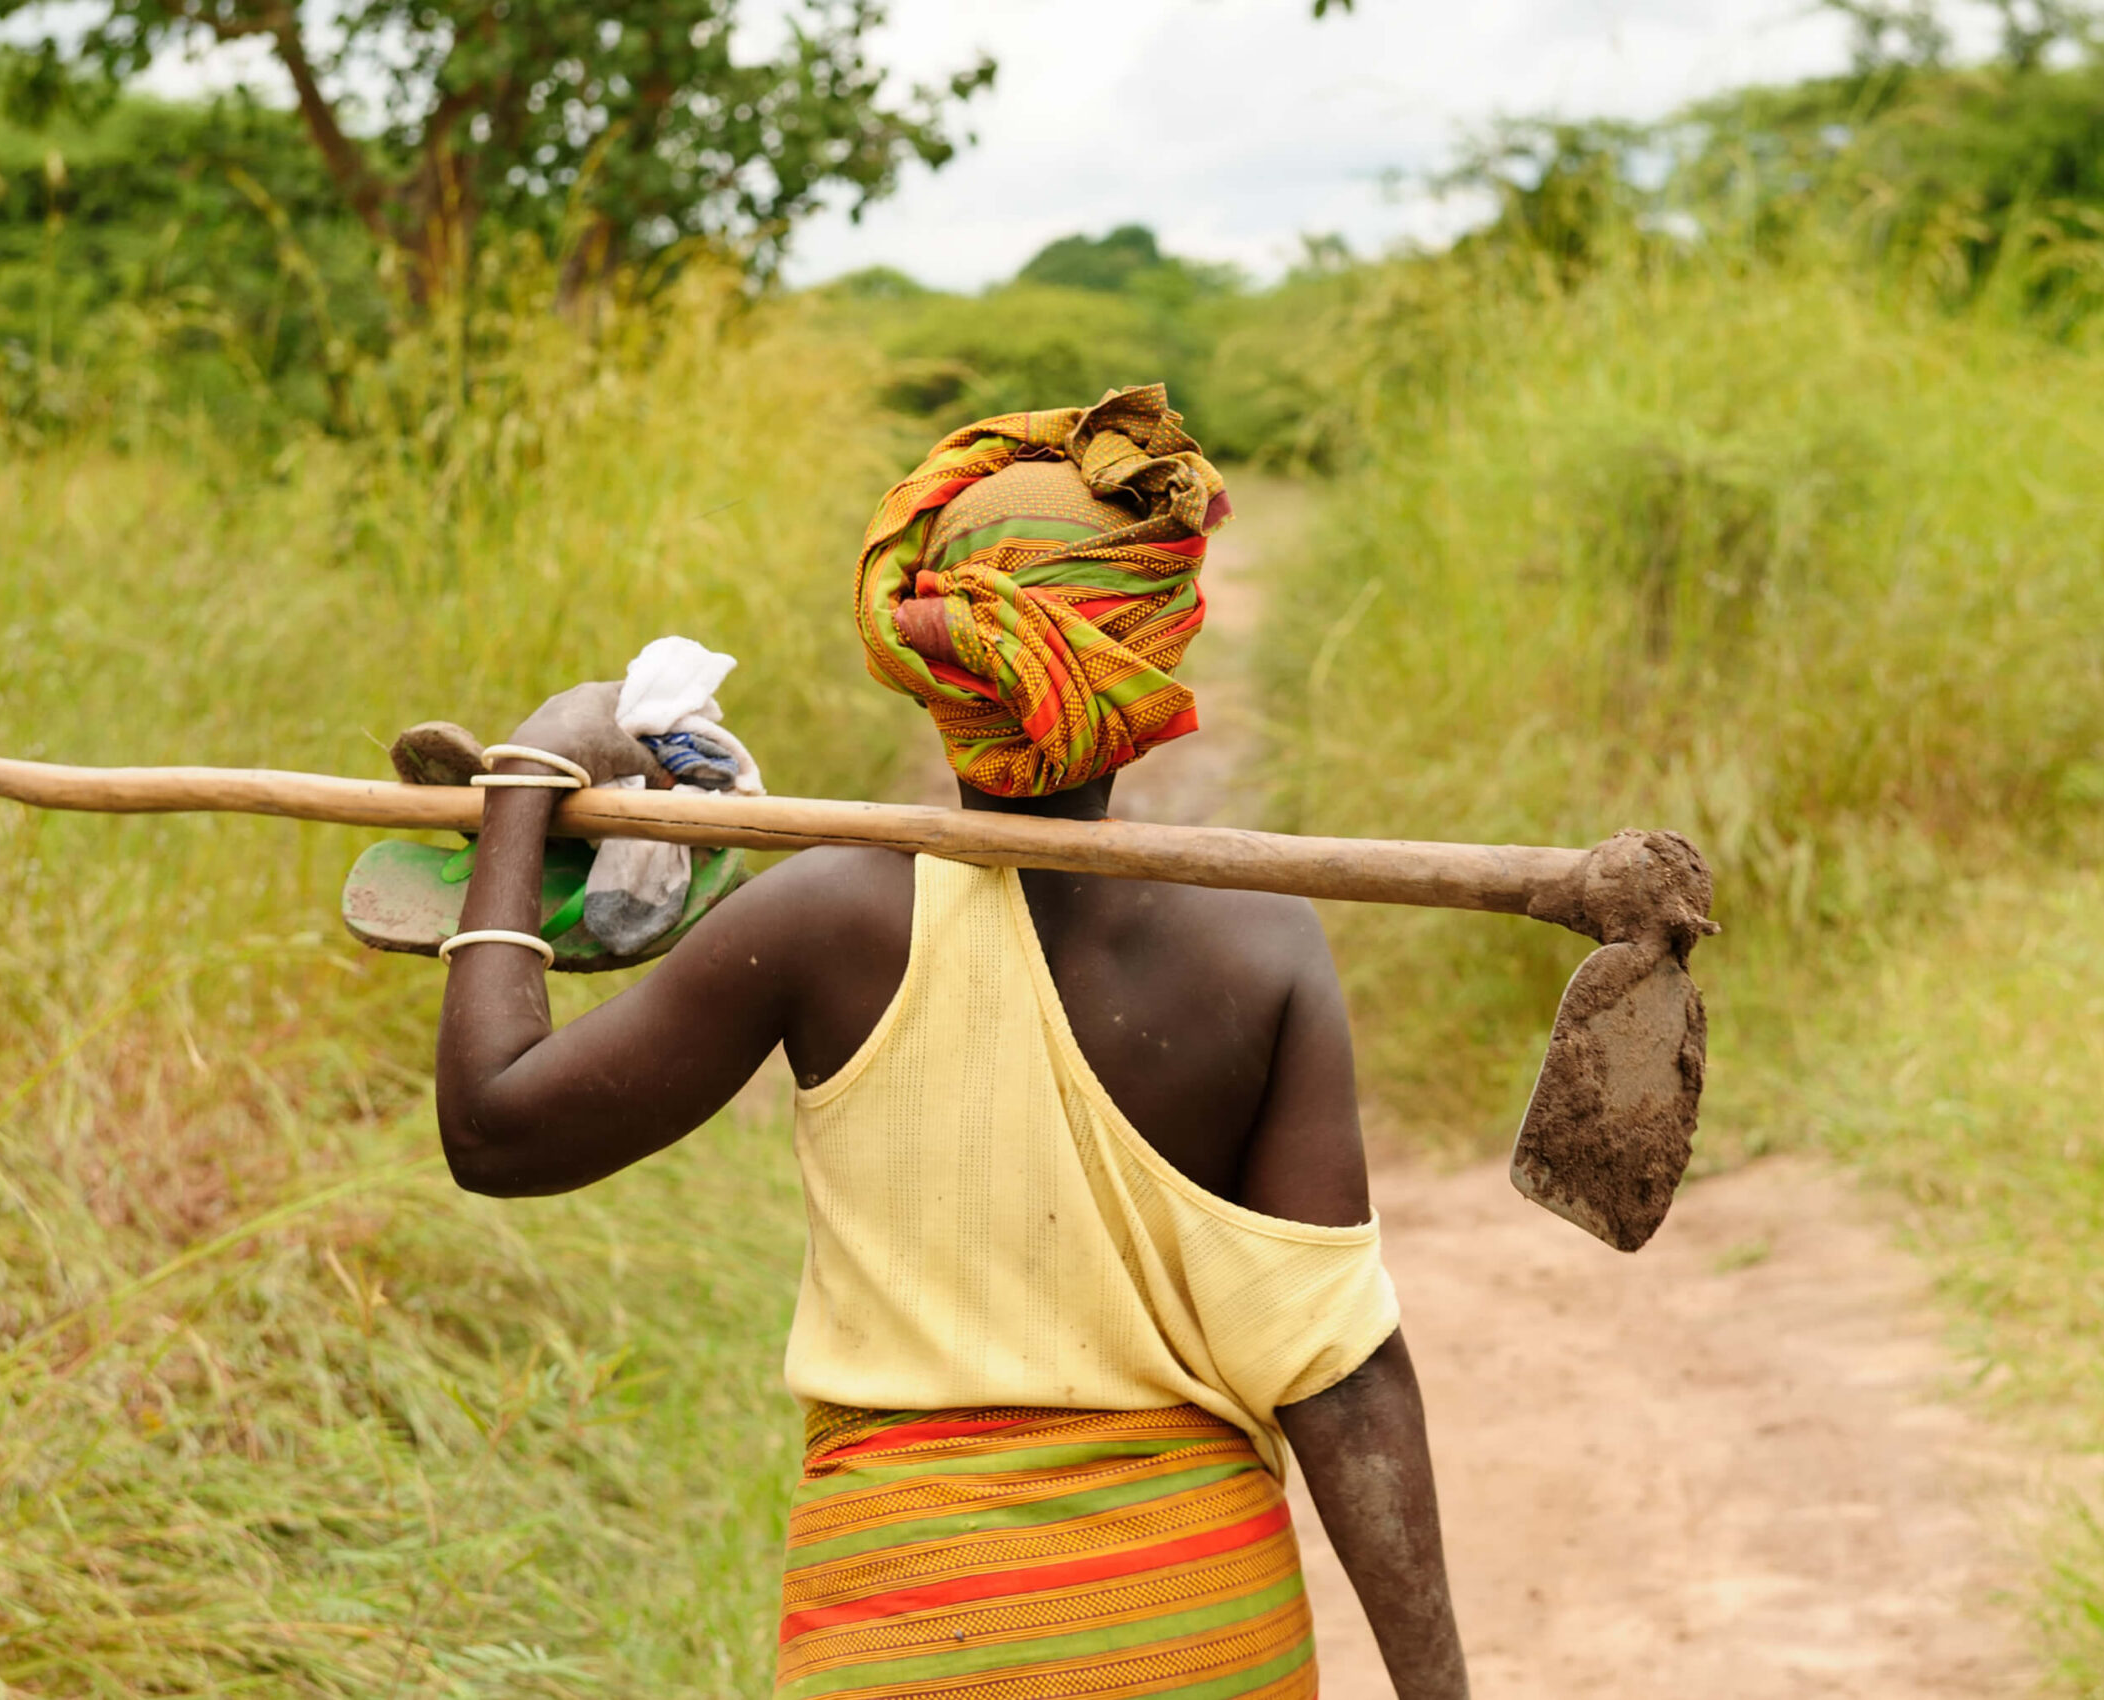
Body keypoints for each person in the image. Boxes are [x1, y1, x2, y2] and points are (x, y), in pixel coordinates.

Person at [431, 387, 1470, 1698]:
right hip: (1195, 1634)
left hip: (907, 1634)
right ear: (1148, 662)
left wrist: (525, 783)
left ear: (934, 660)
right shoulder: (1260, 946)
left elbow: (497, 1129)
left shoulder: (819, 917)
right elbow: (1341, 1373)